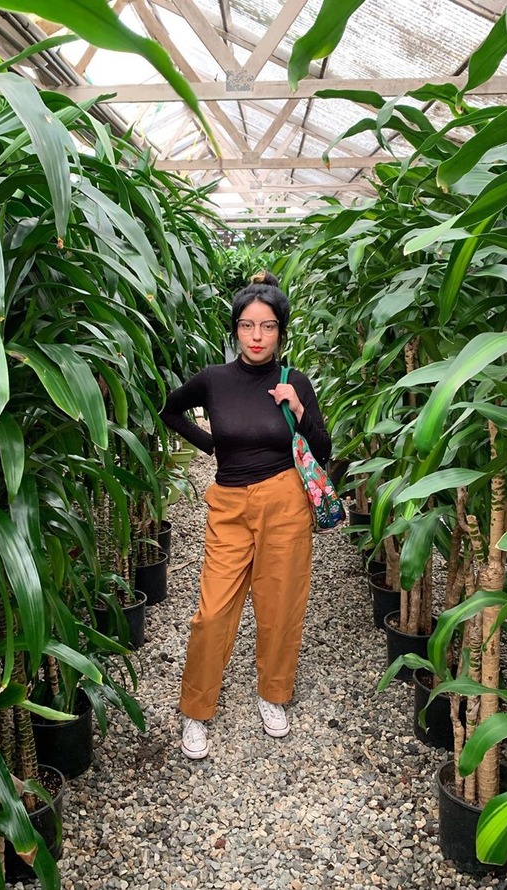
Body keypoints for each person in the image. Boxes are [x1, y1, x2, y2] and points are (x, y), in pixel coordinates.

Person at [159, 270, 331, 760]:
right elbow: (170, 411)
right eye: (249, 326)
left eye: (269, 326)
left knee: (280, 608)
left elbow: (322, 451)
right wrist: (212, 445)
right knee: (212, 611)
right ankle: (196, 708)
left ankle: (273, 694)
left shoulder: (292, 380)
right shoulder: (214, 380)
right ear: (235, 329)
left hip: (285, 502)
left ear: (281, 331)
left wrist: (300, 411)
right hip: (229, 504)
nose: (258, 337)